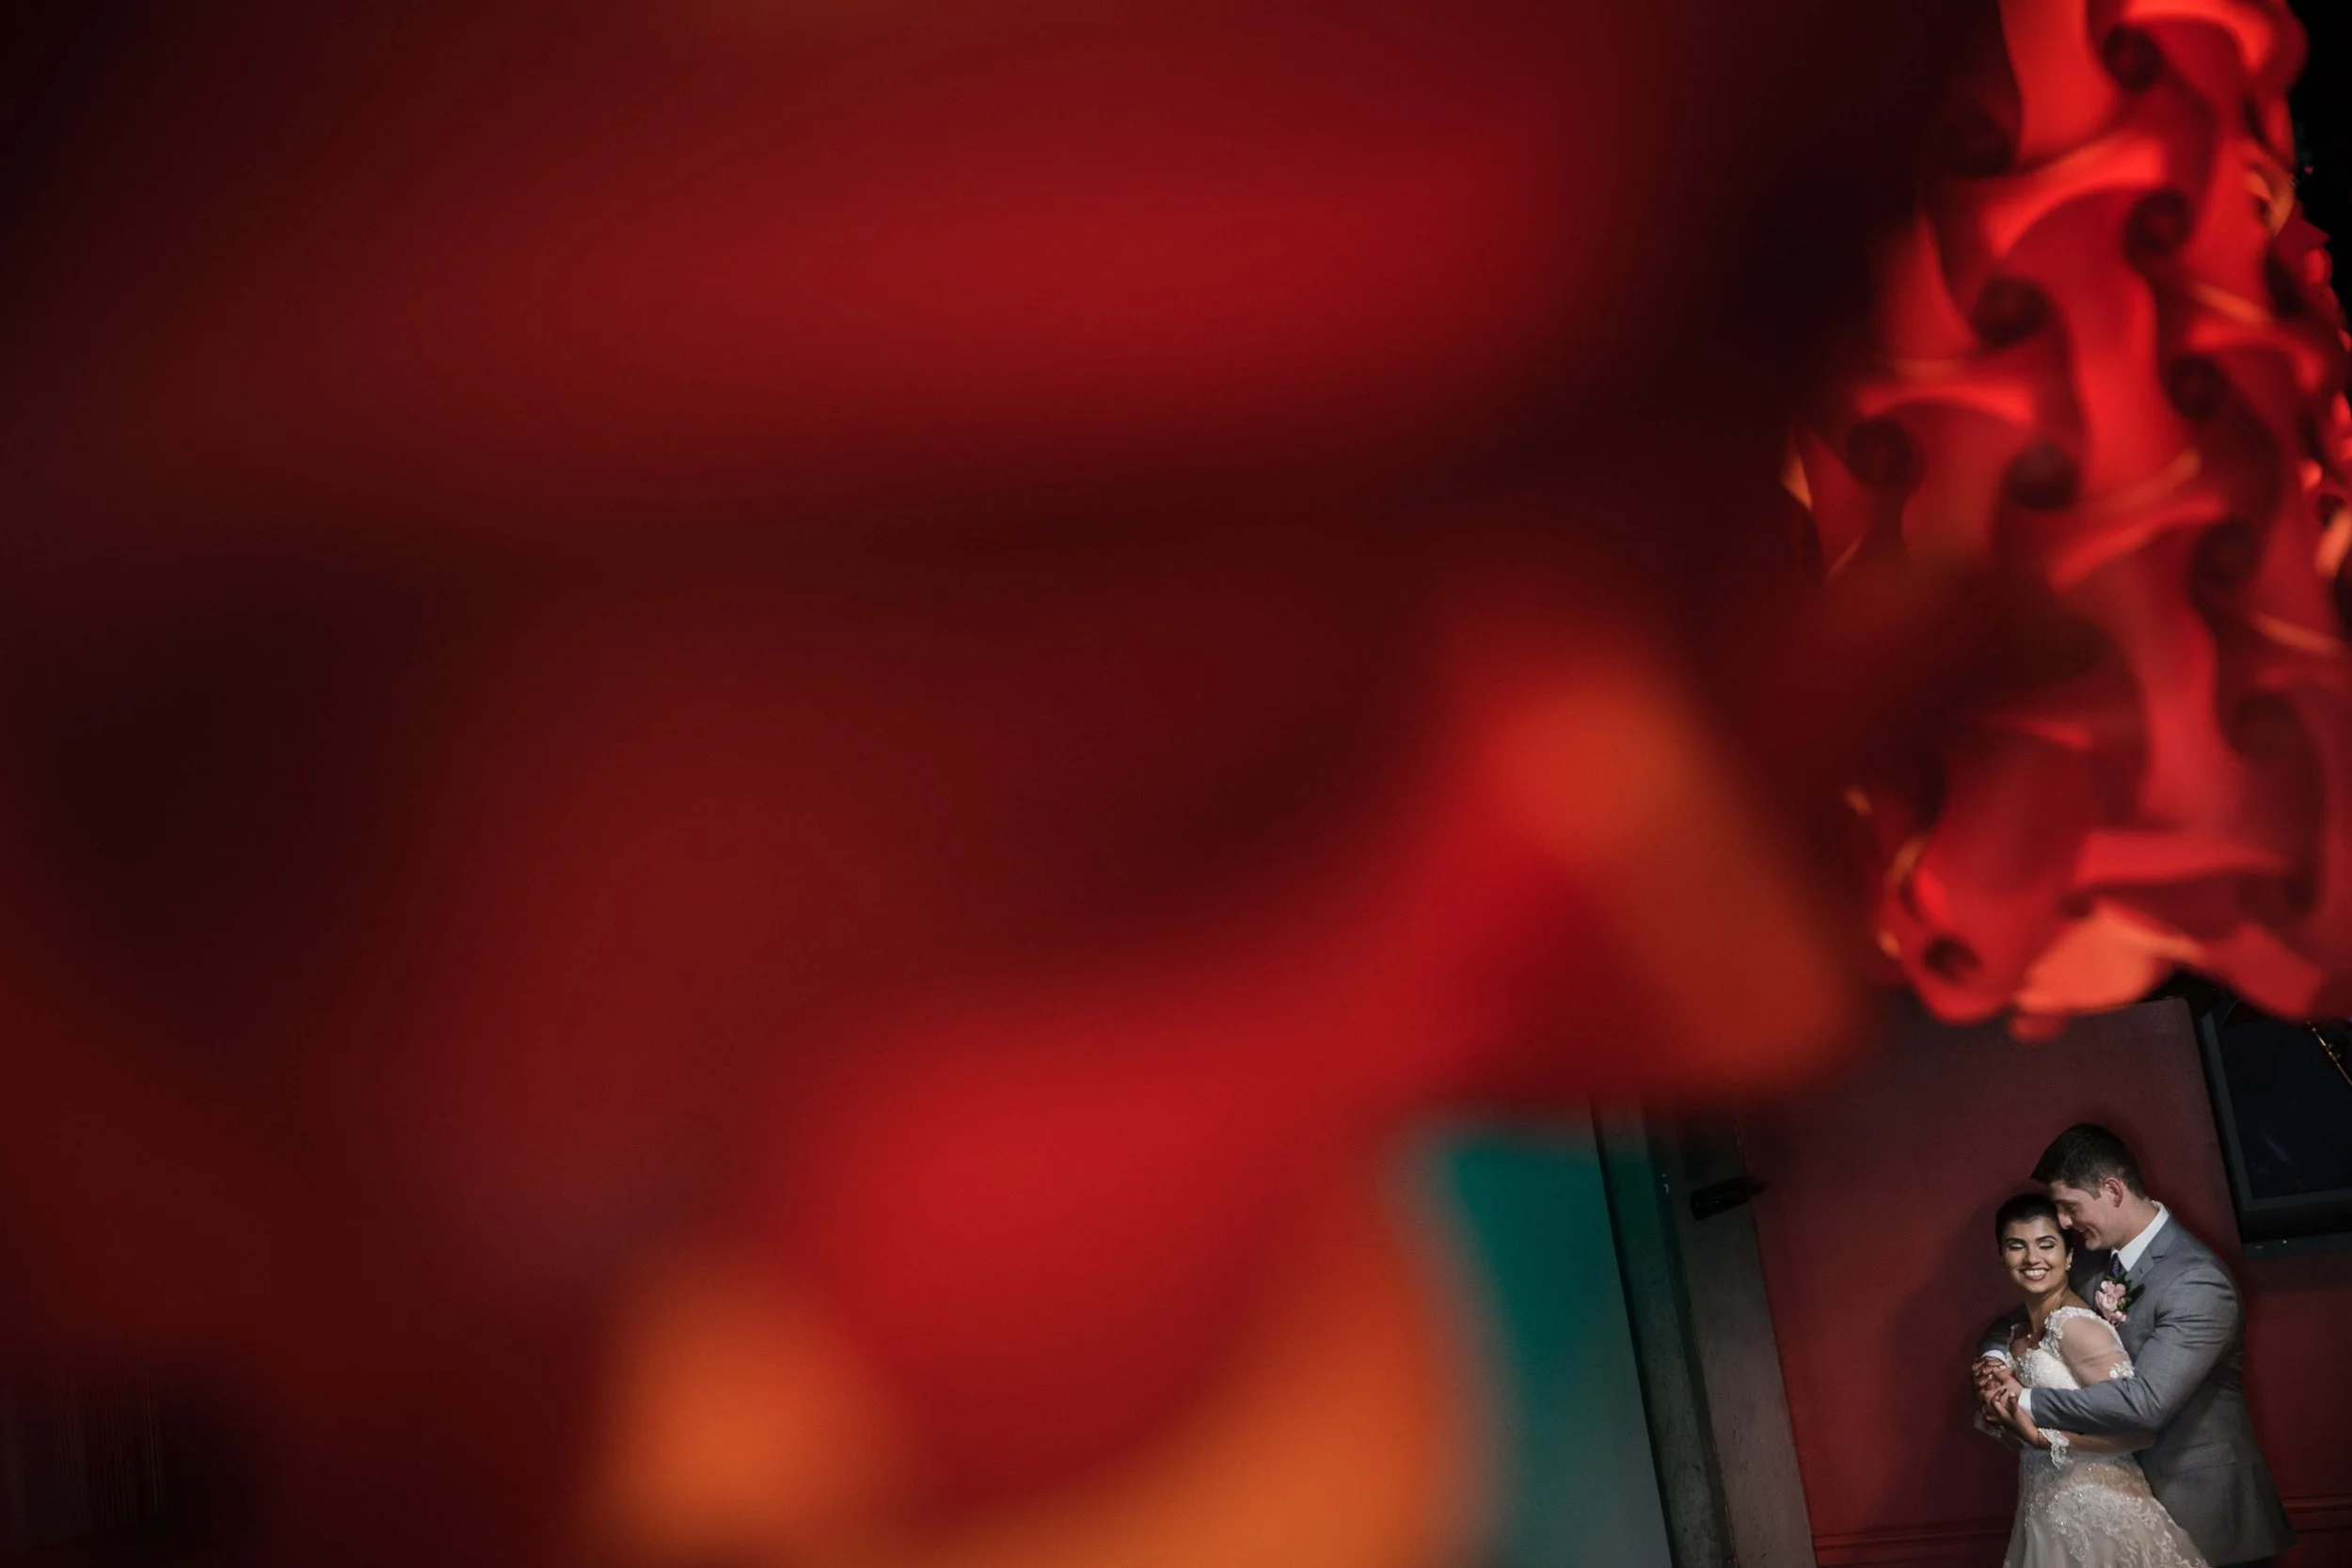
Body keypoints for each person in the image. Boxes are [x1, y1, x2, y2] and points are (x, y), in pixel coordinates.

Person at [1974, 1127, 2296, 1568]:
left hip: (2206, 1514)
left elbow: (2146, 1405)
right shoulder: (2094, 1263)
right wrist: (1994, 1359)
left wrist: (2025, 1400)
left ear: (2112, 1191)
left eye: (2069, 1207)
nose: (2063, 1222)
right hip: (2114, 1506)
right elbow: (2017, 1319)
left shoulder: (2197, 1281)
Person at [1978, 1192, 2207, 1568]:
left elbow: (2138, 1433)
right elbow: (2023, 1433)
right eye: (2016, 1246)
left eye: (2046, 1244)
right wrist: (2001, 1412)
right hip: (2043, 1511)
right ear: (2002, 1256)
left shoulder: (2078, 1327)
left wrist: (2045, 1440)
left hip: (2105, 1515)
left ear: (2069, 1255)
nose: (2032, 1258)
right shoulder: (2016, 1336)